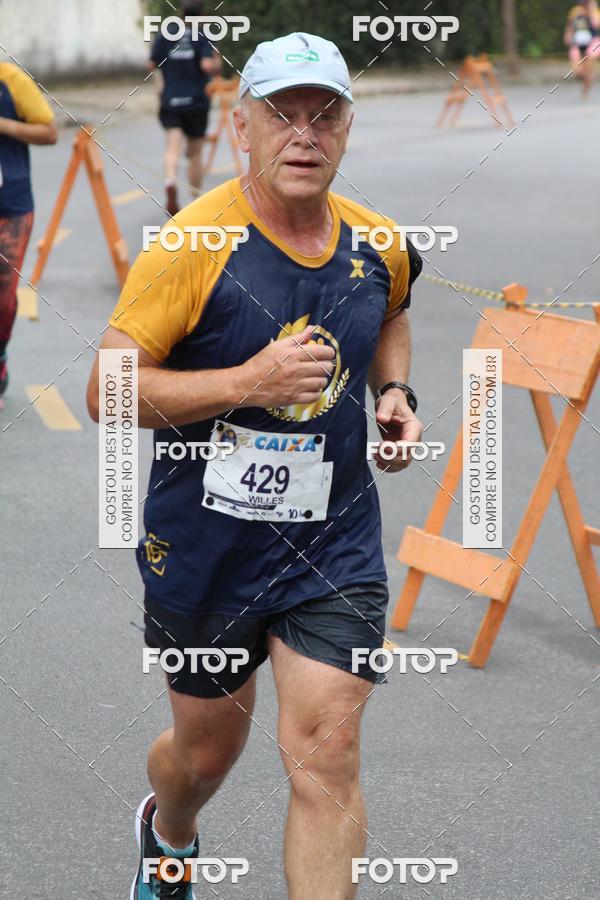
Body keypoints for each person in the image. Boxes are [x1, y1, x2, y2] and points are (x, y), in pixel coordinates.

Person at [88, 32, 422, 900]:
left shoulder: (379, 242)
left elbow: (392, 311)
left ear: (347, 130)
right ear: (241, 129)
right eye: (282, 114)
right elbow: (106, 391)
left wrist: (396, 395)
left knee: (326, 749)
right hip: (207, 548)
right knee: (204, 755)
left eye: (325, 115)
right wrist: (247, 381)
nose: (304, 134)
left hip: (332, 541)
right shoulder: (192, 246)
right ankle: (169, 833)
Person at [0, 61, 57, 403]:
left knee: (3, 297)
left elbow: (49, 131)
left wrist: (4, 124)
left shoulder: (10, 79)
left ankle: (0, 355)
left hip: (10, 205)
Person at [148, 0, 222, 216]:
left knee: (173, 146)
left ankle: (170, 180)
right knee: (195, 152)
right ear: (201, 14)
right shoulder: (202, 35)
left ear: (180, 12)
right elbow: (207, 66)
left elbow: (152, 63)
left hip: (170, 100)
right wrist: (217, 60)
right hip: (196, 102)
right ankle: (195, 200)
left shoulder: (167, 33)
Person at [564, 0, 600, 96]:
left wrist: (591, 10)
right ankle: (588, 78)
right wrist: (568, 34)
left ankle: (586, 89)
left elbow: (597, 24)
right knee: (577, 71)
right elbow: (571, 25)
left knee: (589, 66)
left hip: (592, 43)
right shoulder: (575, 11)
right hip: (577, 43)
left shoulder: (595, 12)